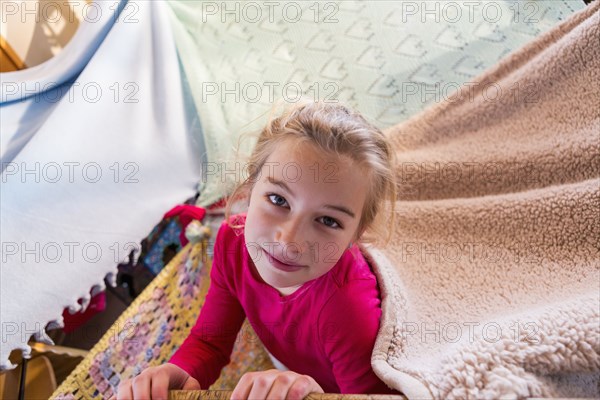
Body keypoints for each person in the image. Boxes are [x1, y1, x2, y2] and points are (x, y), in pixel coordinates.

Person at [112, 100, 399, 399]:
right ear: (250, 188)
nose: (288, 241)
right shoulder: (233, 242)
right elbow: (210, 341)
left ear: (357, 236)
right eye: (278, 200)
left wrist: (320, 396)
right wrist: (182, 372)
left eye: (328, 221)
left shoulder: (348, 306)